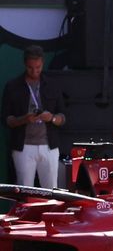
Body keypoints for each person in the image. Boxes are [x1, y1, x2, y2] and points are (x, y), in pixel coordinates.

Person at [1, 45, 66, 188]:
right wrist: (24, 119)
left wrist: (52, 118)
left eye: (38, 67)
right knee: (25, 192)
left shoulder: (53, 85)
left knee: (51, 191)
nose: (35, 71)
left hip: (49, 146)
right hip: (23, 147)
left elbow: (63, 117)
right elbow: (6, 120)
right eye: (31, 67)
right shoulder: (12, 86)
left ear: (42, 63)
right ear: (25, 64)